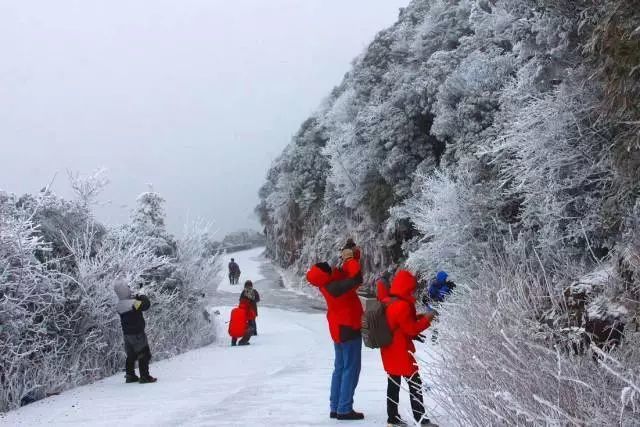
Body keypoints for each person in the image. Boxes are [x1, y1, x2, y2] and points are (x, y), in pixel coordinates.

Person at [306, 246, 365, 421]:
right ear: (325, 274)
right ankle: (344, 409)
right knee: (351, 369)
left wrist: (352, 255)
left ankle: (336, 406)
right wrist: (349, 260)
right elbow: (356, 278)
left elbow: (346, 273)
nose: (332, 267)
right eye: (328, 268)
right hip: (348, 327)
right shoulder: (334, 287)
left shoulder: (329, 283)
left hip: (339, 328)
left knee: (340, 368)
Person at [380, 270, 436, 426]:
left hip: (388, 349)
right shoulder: (403, 305)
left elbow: (400, 324)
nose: (414, 291)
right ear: (407, 287)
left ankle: (392, 419)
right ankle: (421, 419)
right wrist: (427, 320)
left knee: (393, 383)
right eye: (412, 288)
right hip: (402, 351)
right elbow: (411, 329)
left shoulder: (387, 301)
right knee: (415, 383)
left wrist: (420, 317)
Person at [114, 280, 157, 384]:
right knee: (144, 353)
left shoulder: (119, 305)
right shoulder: (133, 303)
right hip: (137, 334)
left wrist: (137, 296)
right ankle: (145, 377)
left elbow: (134, 305)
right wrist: (141, 295)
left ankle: (130, 376)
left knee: (131, 355)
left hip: (127, 335)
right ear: (125, 290)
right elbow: (145, 305)